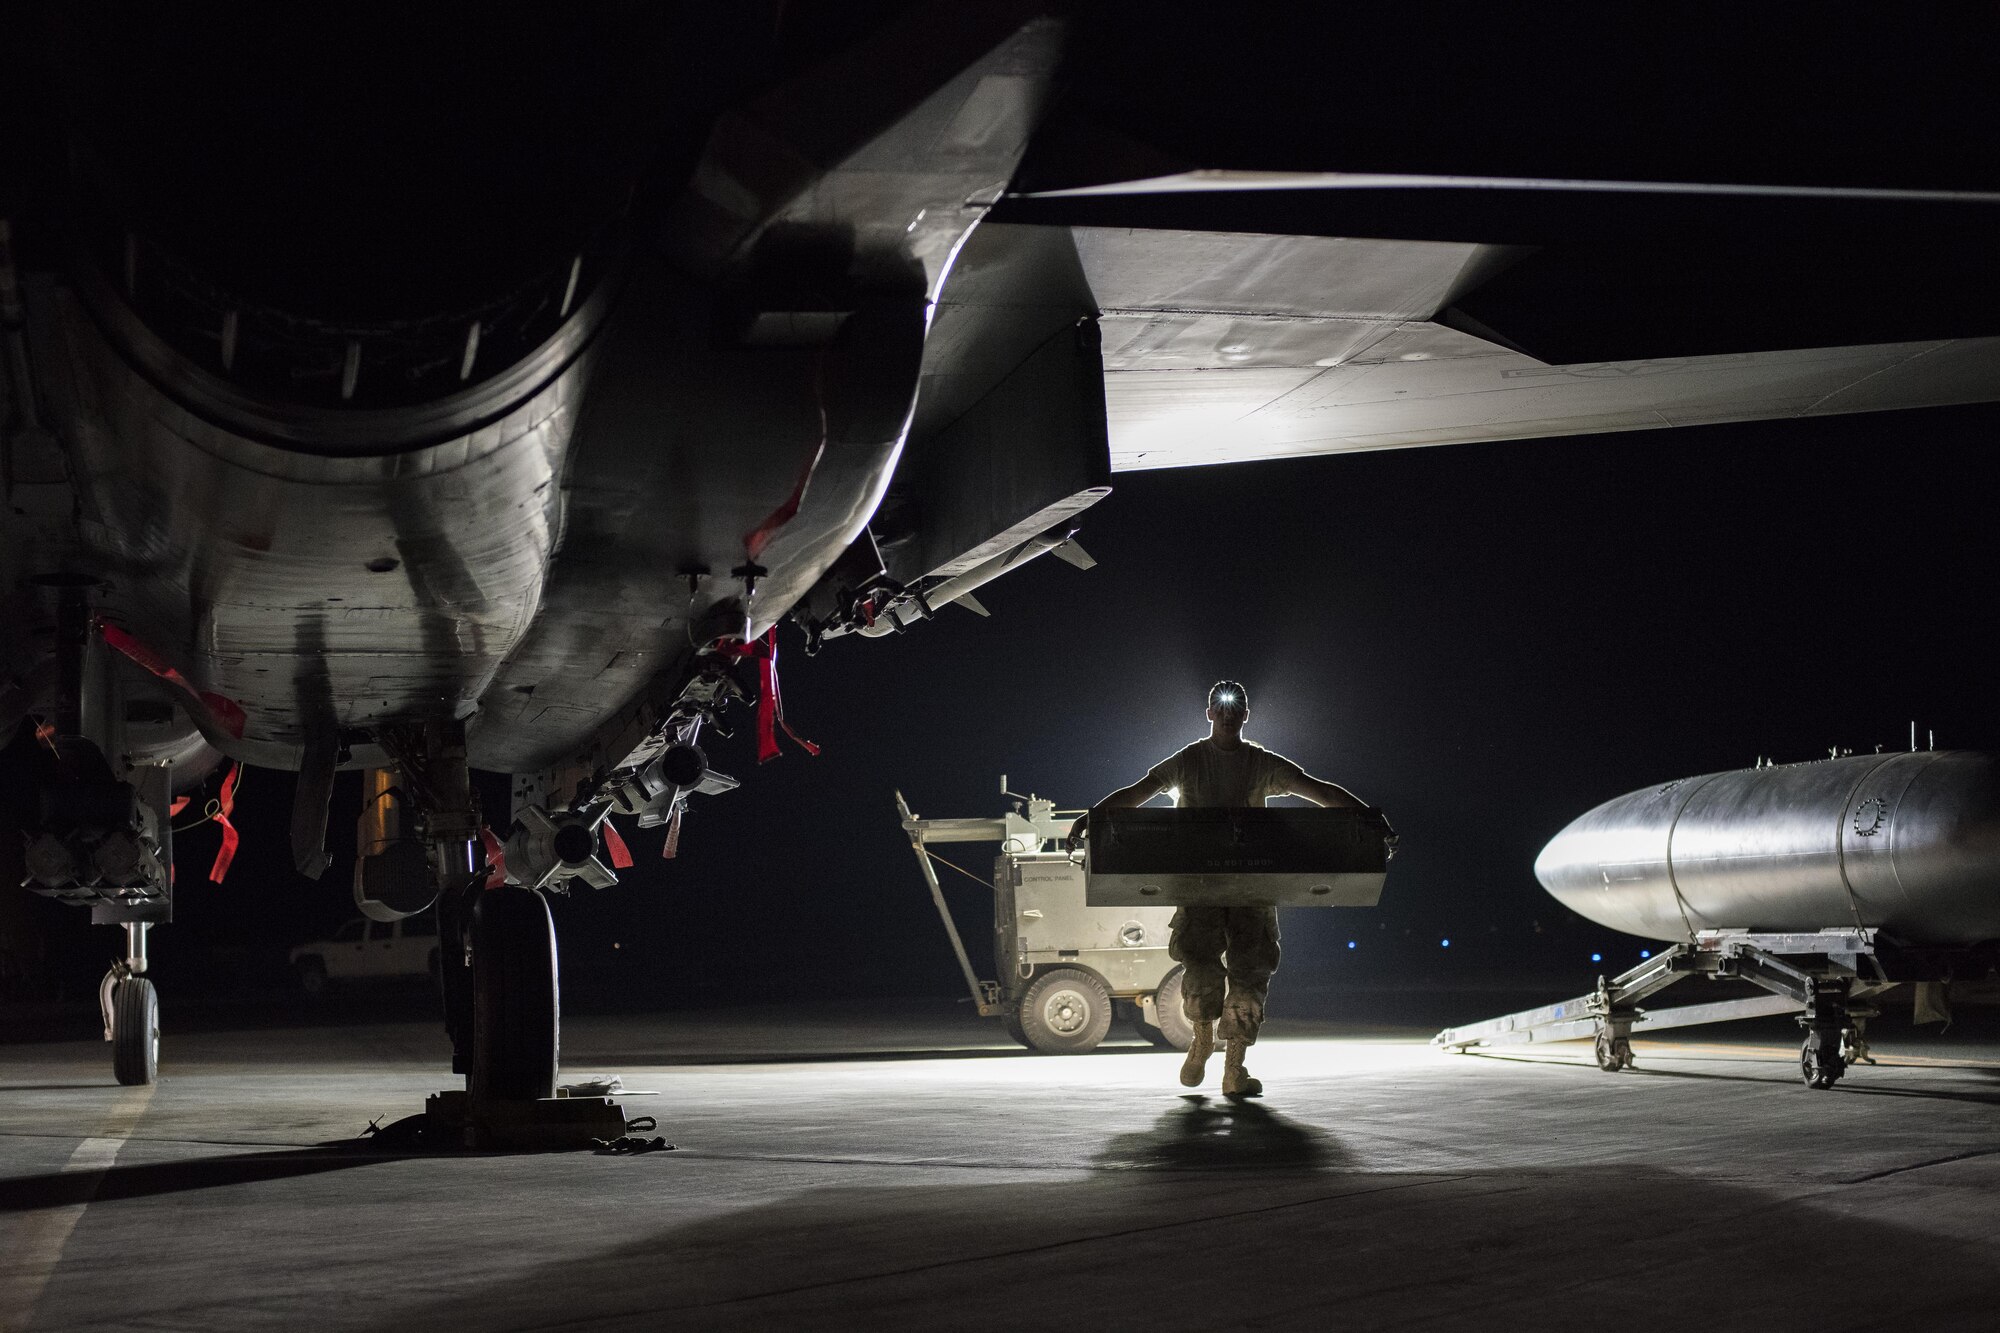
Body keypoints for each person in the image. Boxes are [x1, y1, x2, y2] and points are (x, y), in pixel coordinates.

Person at [1075, 681, 1371, 1098]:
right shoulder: (1190, 760)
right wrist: (1092, 818)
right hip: (1204, 885)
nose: (1229, 714)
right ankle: (1201, 1041)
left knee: (1249, 974)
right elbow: (1137, 793)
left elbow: (1319, 792)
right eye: (1221, 707)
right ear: (1210, 713)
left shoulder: (1259, 762)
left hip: (1247, 886)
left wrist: (1369, 819)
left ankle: (1233, 1069)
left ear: (1245, 715)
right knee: (1200, 966)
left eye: (1236, 707)